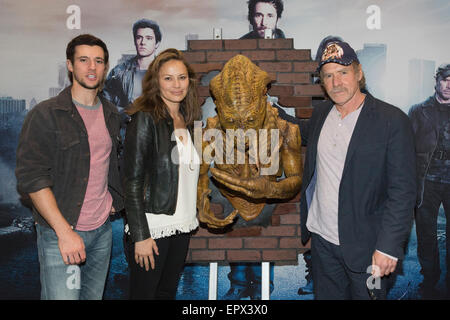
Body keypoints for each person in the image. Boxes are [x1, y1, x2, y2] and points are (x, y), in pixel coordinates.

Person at [298, 40, 416, 299]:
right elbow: (297, 130)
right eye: (328, 76)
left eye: (343, 72)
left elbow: (403, 192)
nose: (336, 82)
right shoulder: (320, 114)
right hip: (322, 241)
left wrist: (387, 247)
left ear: (359, 73)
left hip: (368, 249)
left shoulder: (392, 121)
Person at [15, 34, 124, 300]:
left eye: (98, 61)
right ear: (70, 66)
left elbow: (110, 161)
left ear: (106, 68)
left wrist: (113, 199)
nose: (92, 67)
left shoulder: (111, 113)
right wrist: (64, 232)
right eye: (83, 60)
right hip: (60, 232)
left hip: (101, 232)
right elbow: (32, 178)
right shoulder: (45, 114)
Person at [123, 48, 201, 299]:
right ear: (156, 82)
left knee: (166, 294)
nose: (176, 85)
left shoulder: (186, 119)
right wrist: (141, 236)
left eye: (181, 77)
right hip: (153, 228)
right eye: (168, 78)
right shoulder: (145, 118)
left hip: (181, 226)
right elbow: (132, 181)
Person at [408, 63, 450, 299]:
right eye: (446, 79)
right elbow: (405, 147)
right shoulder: (418, 110)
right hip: (426, 180)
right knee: (426, 234)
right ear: (437, 80)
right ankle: (429, 279)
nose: (449, 85)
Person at [103, 18, 162, 125]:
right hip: (127, 133)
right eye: (139, 37)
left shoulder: (165, 71)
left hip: (157, 131)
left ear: (157, 43)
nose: (143, 42)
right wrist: (125, 115)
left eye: (148, 38)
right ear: (135, 40)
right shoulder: (119, 72)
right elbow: (105, 102)